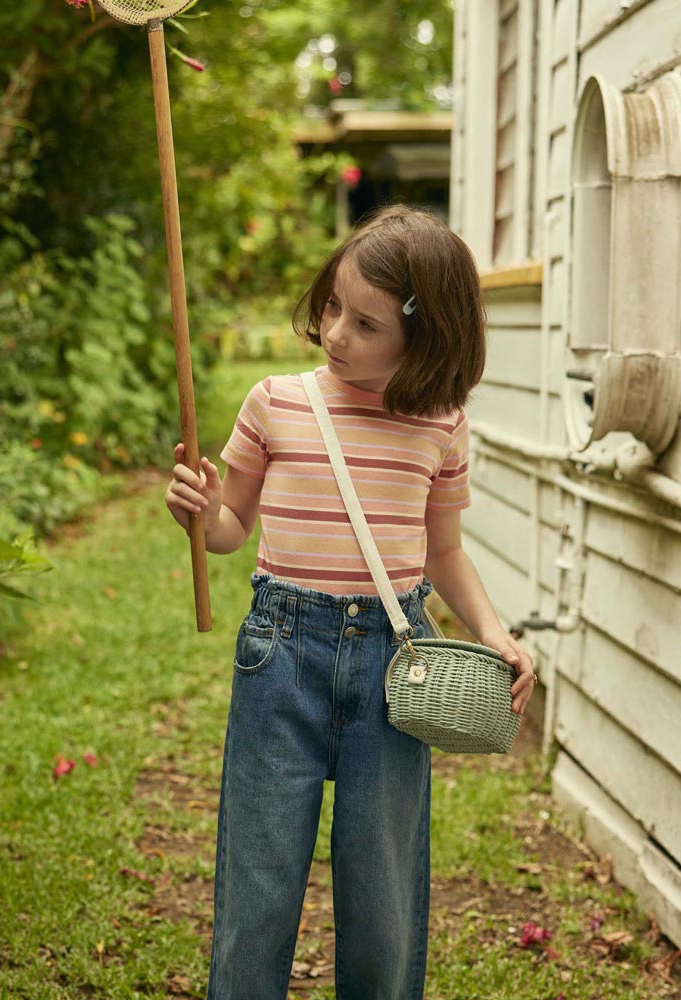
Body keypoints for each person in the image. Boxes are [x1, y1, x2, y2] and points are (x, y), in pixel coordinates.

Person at [164, 203, 536, 1000]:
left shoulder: (440, 424)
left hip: (392, 665)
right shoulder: (276, 401)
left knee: (383, 892)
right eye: (333, 307)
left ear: (426, 335)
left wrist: (497, 634)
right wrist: (198, 514)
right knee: (257, 884)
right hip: (281, 652)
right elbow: (231, 529)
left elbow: (445, 553)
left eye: (366, 324)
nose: (337, 334)